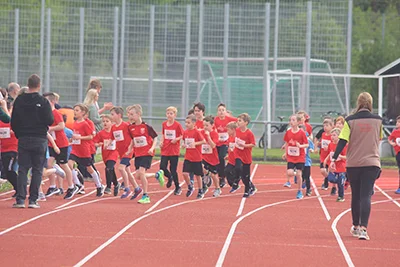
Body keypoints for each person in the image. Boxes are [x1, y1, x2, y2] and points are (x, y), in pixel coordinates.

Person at [331, 92, 383, 241]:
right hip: (372, 163)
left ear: (358, 103)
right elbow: (378, 139)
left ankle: (355, 226)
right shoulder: (378, 121)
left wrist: (334, 158)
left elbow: (342, 141)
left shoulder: (349, 121)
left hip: (354, 163)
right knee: (366, 195)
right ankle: (363, 229)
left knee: (356, 196)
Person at [11, 74, 54, 208]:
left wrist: (19, 134)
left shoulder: (19, 100)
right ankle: (33, 200)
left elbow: (14, 121)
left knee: (23, 169)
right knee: (37, 169)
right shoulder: (44, 101)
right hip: (39, 138)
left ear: (28, 85)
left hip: (23, 137)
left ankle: (20, 200)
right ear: (39, 85)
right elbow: (50, 120)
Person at [126, 104, 164, 204]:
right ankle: (157, 175)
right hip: (138, 154)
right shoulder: (130, 128)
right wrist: (130, 149)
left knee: (141, 172)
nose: (130, 116)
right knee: (138, 176)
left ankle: (146, 195)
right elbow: (133, 140)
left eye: (132, 114)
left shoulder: (146, 127)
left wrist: (152, 148)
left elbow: (155, 137)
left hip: (147, 153)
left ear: (138, 114)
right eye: (129, 114)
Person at [43, 93, 76, 200]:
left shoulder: (56, 113)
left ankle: (71, 186)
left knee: (64, 165)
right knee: (48, 164)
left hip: (61, 143)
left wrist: (50, 129)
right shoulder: (46, 113)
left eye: (46, 101)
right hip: (51, 143)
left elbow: (62, 126)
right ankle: (53, 186)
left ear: (52, 102)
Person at [68, 104, 104, 197]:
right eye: (74, 110)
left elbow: (91, 136)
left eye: (77, 110)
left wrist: (80, 137)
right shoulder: (75, 123)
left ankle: (99, 186)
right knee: (69, 164)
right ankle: (78, 184)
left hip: (84, 150)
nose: (74, 112)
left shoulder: (85, 124)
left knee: (89, 168)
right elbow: (76, 135)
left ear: (83, 112)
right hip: (75, 149)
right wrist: (72, 139)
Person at [109, 106, 142, 200]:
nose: (111, 116)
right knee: (127, 171)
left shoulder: (126, 125)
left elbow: (134, 134)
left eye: (112, 114)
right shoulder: (113, 127)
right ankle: (137, 188)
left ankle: (127, 188)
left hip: (128, 151)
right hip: (121, 152)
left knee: (121, 168)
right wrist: (107, 143)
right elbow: (112, 138)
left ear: (119, 115)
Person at [282, 114, 309, 199]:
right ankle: (297, 176)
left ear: (298, 122)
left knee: (299, 174)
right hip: (291, 156)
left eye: (293, 120)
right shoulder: (288, 132)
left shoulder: (301, 133)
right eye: (290, 120)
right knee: (289, 173)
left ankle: (299, 190)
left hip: (300, 156)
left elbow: (307, 144)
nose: (291, 122)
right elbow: (287, 143)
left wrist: (300, 146)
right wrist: (285, 153)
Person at [159, 106, 184, 195]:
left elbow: (182, 135)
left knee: (173, 169)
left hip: (174, 150)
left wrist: (176, 139)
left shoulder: (177, 125)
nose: (169, 115)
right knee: (162, 167)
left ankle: (177, 187)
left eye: (171, 113)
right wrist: (161, 142)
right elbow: (163, 134)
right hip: (165, 149)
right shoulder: (164, 124)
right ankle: (170, 177)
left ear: (175, 115)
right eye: (168, 113)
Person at [93, 114, 120, 196]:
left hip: (114, 153)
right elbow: (94, 143)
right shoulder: (101, 133)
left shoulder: (115, 132)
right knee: (111, 169)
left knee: (108, 168)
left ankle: (108, 187)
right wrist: (100, 144)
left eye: (107, 121)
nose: (105, 123)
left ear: (111, 123)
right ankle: (116, 184)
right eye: (103, 121)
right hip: (105, 154)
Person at [182, 114, 205, 197]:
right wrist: (184, 145)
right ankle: (190, 186)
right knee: (184, 173)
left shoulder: (197, 132)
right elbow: (185, 141)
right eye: (186, 122)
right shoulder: (185, 132)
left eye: (188, 123)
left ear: (194, 123)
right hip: (188, 156)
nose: (186, 124)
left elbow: (203, 141)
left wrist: (195, 143)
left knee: (198, 175)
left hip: (196, 157)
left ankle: (200, 190)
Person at [234, 113, 257, 198]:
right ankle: (236, 180)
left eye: (240, 121)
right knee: (237, 167)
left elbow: (253, 144)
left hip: (246, 156)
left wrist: (245, 146)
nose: (238, 122)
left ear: (246, 122)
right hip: (238, 153)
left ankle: (248, 189)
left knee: (245, 176)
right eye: (238, 120)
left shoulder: (249, 133)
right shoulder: (237, 130)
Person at [214, 103, 237, 188]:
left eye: (223, 110)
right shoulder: (215, 120)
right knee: (217, 159)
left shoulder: (229, 119)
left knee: (221, 157)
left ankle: (222, 177)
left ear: (225, 111)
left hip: (226, 142)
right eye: (219, 110)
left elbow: (238, 121)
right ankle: (220, 175)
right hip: (217, 142)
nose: (221, 112)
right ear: (217, 112)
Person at [324, 128, 347, 202]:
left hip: (341, 166)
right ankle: (343, 181)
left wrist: (340, 156)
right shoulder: (330, 144)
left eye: (334, 135)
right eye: (331, 135)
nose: (332, 137)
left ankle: (341, 196)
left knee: (340, 184)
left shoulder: (343, 145)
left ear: (339, 136)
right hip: (333, 166)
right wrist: (326, 160)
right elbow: (330, 153)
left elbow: (347, 157)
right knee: (331, 179)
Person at [201, 115, 221, 198]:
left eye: (207, 125)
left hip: (212, 158)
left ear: (212, 125)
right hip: (203, 156)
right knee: (199, 166)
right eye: (204, 125)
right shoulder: (201, 132)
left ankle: (217, 188)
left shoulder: (214, 134)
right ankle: (206, 177)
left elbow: (213, 146)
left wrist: (208, 136)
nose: (205, 127)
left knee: (214, 175)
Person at [388, 115, 400, 194]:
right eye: (397, 122)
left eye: (399, 122)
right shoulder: (395, 132)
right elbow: (389, 139)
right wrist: (392, 143)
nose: (397, 123)